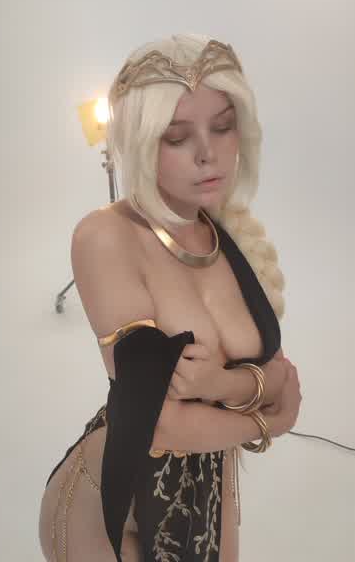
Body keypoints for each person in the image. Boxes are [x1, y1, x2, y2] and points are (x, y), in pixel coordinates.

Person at [38, 33, 302, 562]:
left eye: (222, 126)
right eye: (176, 136)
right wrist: (267, 421)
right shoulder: (105, 237)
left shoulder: (230, 234)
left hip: (212, 496)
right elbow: (160, 422)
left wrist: (220, 383)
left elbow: (281, 374)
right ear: (139, 142)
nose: (208, 153)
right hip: (112, 508)